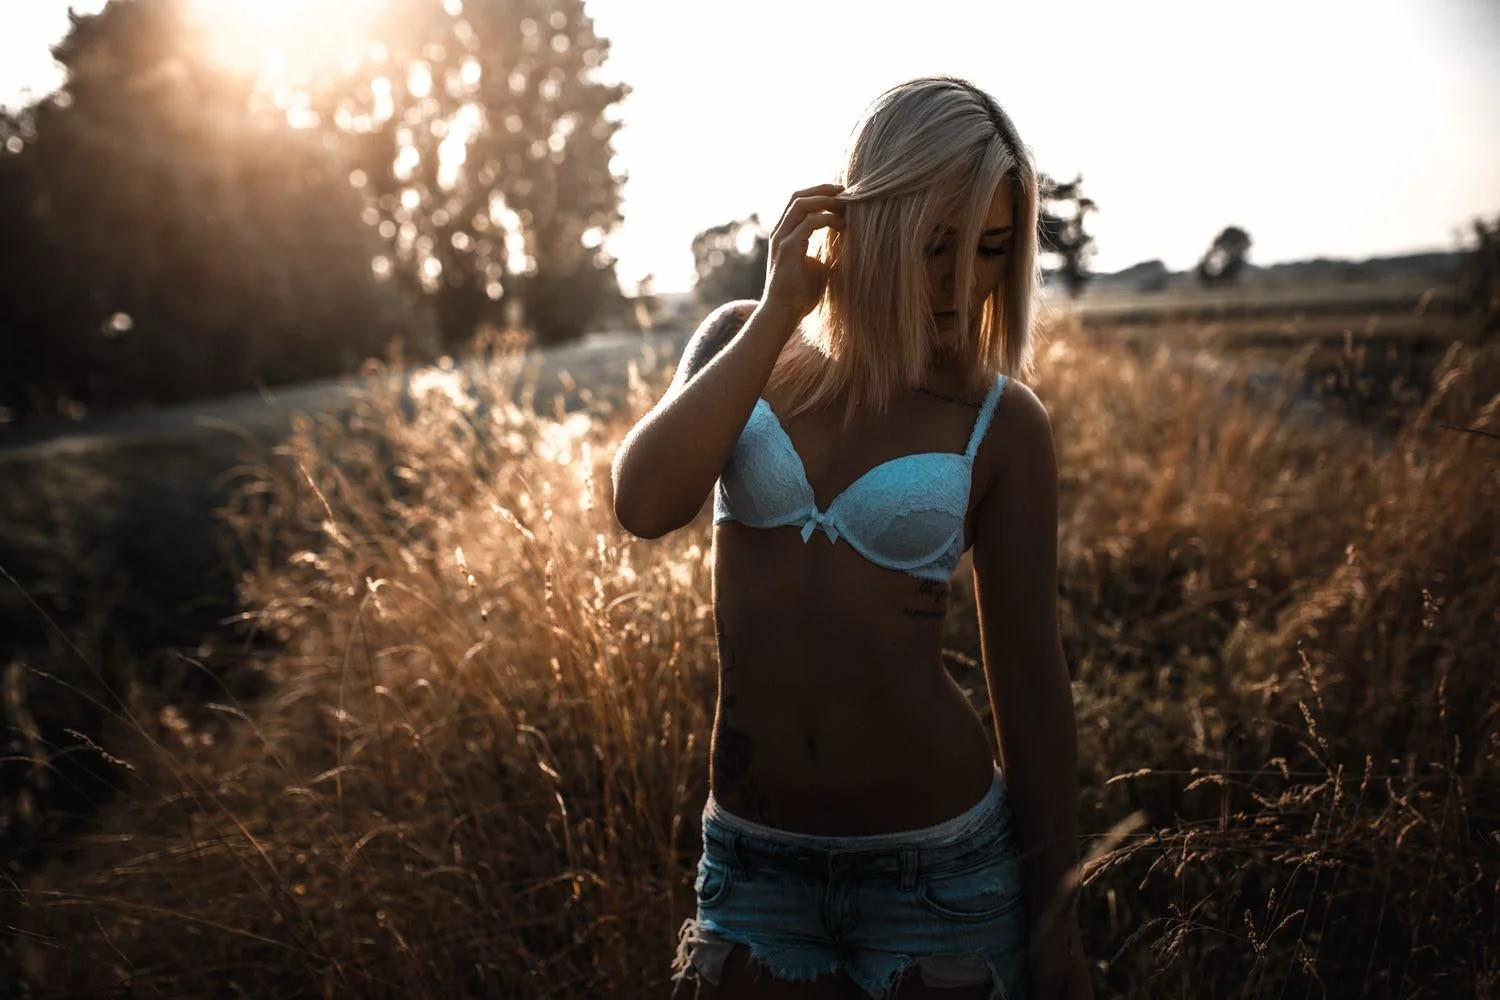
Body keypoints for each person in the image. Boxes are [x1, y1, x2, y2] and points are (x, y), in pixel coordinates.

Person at [611, 77, 1090, 1000]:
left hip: (940, 873)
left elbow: (1032, 683)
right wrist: (780, 311)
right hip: (754, 870)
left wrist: (1056, 923)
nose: (962, 284)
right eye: (935, 246)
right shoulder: (740, 344)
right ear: (867, 222)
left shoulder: (1002, 421)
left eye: (990, 249)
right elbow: (643, 503)